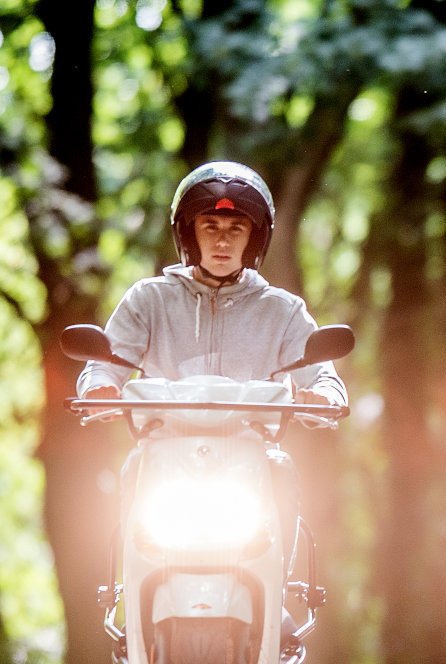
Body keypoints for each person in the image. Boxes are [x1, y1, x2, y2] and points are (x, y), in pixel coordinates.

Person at [77, 160, 348, 586]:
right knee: (133, 468)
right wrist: (99, 388)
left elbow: (326, 378)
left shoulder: (283, 309)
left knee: (283, 471)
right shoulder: (149, 299)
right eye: (210, 227)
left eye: (236, 229)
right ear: (189, 233)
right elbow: (103, 364)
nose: (222, 241)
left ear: (254, 238)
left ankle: (273, 594)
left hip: (250, 457)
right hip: (164, 453)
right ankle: (129, 591)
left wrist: (324, 399)